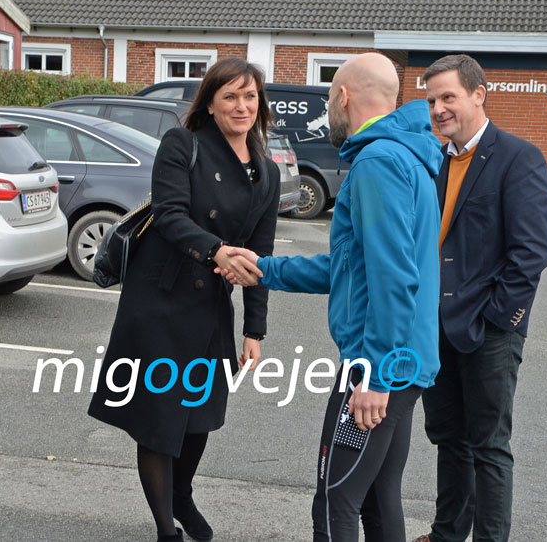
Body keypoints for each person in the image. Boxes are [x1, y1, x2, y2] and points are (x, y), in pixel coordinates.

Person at [221, 52, 443, 542]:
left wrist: (376, 375)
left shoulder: (378, 162)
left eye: (328, 100)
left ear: (343, 96)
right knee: (378, 500)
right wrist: (265, 269)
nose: (328, 111)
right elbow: (352, 267)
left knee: (334, 502)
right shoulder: (407, 155)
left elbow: (392, 277)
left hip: (377, 366)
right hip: (401, 363)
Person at [88, 57, 280, 542]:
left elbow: (261, 255)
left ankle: (182, 496)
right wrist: (216, 250)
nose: (241, 106)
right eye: (230, 96)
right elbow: (170, 215)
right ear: (210, 104)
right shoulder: (183, 144)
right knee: (159, 421)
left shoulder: (267, 172)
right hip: (161, 303)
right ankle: (165, 530)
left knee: (200, 417)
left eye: (250, 96)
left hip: (211, 307)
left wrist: (254, 329)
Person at [412, 55, 547, 542]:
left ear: (478, 94)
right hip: (434, 327)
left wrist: (500, 319)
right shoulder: (434, 160)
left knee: (489, 446)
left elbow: (531, 253)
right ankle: (447, 534)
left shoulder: (518, 157)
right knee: (449, 440)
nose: (438, 109)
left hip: (489, 329)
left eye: (448, 97)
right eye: (432, 100)